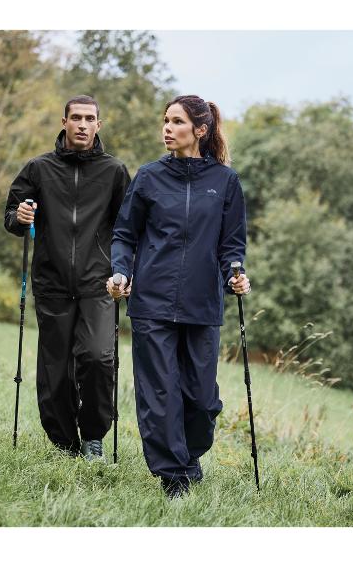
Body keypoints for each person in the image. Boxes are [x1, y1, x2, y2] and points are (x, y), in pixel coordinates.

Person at [107, 95, 250, 498]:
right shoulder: (150, 177)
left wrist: (235, 274)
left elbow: (232, 245)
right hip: (151, 302)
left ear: (200, 130)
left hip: (202, 305)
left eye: (176, 122)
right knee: (159, 394)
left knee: (202, 400)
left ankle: (189, 456)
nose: (167, 128)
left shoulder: (225, 182)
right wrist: (121, 270)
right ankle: (173, 477)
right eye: (165, 121)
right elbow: (125, 234)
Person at [4, 95, 131, 461]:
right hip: (52, 282)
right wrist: (20, 218)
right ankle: (64, 442)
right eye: (75, 117)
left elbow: (128, 228)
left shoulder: (114, 171)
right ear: (63, 121)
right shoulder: (39, 169)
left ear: (98, 125)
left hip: (98, 283)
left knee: (96, 357)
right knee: (55, 369)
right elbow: (12, 214)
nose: (82, 124)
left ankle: (93, 436)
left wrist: (127, 270)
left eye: (89, 118)